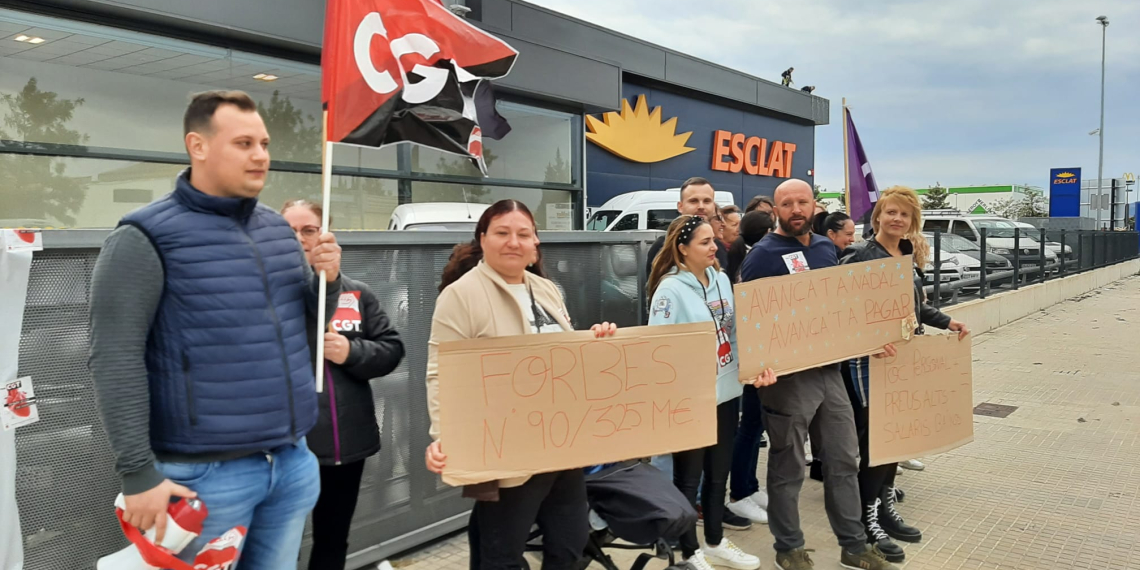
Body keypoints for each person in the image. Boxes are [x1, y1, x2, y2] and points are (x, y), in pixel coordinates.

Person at [89, 90, 342, 569]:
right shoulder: (142, 238)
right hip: (202, 478)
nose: (261, 155)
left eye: (264, 143)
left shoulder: (278, 233)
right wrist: (137, 472)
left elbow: (305, 330)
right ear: (197, 146)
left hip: (290, 464)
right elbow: (114, 358)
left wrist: (328, 283)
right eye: (244, 142)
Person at [423, 199, 618, 570]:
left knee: (570, 543)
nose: (513, 241)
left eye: (523, 234)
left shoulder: (545, 289)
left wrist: (593, 343)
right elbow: (440, 372)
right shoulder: (461, 296)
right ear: (483, 239)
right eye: (501, 232)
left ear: (535, 245)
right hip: (507, 450)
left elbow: (562, 357)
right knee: (502, 553)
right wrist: (443, 435)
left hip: (561, 444)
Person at [738, 179, 898, 570]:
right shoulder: (762, 256)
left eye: (802, 202)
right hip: (788, 379)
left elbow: (840, 310)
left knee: (844, 459)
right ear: (775, 210)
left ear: (814, 206)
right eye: (786, 203)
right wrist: (760, 367)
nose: (795, 209)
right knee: (787, 465)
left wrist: (871, 340)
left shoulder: (827, 248)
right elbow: (751, 321)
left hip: (831, 372)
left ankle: (853, 546)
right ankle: (788, 547)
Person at [839, 187, 969, 564]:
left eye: (905, 215)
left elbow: (916, 308)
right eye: (890, 212)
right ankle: (866, 520)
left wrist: (948, 322)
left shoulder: (906, 255)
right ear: (877, 216)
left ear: (913, 223)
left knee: (898, 437)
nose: (897, 219)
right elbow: (839, 311)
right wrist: (869, 341)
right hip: (869, 361)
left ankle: (883, 507)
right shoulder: (860, 255)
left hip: (905, 356)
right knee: (876, 443)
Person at [282, 199, 406, 570]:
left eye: (309, 230)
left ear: (327, 236)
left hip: (342, 445)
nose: (300, 239)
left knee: (332, 540)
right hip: (284, 446)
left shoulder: (356, 294)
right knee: (278, 544)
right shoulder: (263, 295)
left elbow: (392, 350)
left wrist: (350, 352)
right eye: (289, 231)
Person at [647, 215, 776, 570]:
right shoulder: (669, 291)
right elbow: (659, 351)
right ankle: (688, 552)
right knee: (688, 479)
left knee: (718, 475)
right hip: (691, 398)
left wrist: (754, 368)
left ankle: (716, 540)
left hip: (726, 392)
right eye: (704, 242)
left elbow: (737, 332)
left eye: (714, 240)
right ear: (682, 249)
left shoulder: (720, 279)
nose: (715, 246)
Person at [644, 177, 729, 278]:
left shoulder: (718, 246)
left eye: (707, 201)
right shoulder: (662, 246)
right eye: (694, 201)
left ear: (713, 206)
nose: (701, 206)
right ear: (680, 206)